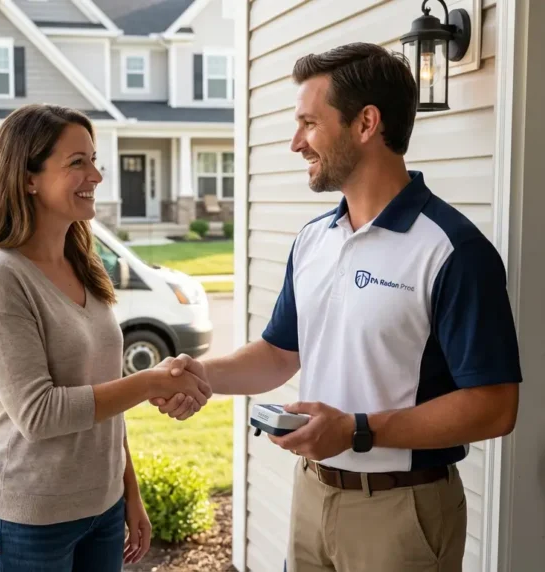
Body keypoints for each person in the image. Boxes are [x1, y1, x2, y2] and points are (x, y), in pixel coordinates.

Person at [153, 42, 522, 571]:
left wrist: (359, 429)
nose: (295, 142)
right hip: (312, 496)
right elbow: (280, 355)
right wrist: (196, 373)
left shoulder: (452, 250)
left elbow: (495, 406)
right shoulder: (313, 240)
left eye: (308, 123)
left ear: (366, 123)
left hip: (402, 511)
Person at [0, 103, 211, 572]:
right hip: (27, 525)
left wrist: (128, 491)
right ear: (28, 177)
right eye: (77, 162)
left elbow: (104, 396)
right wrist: (153, 382)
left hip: (103, 511)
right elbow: (40, 413)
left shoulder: (84, 267)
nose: (95, 175)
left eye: (94, 160)